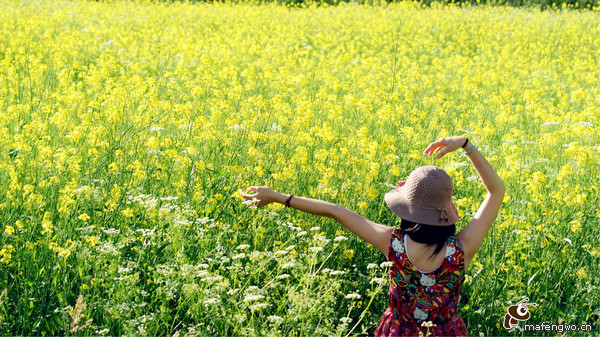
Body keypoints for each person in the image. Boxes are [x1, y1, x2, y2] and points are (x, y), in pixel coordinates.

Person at [239, 136, 505, 337]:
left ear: (408, 211)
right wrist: (466, 145)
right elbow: (496, 191)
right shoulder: (463, 248)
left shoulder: (393, 244)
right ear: (445, 212)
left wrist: (278, 197)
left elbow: (336, 211)